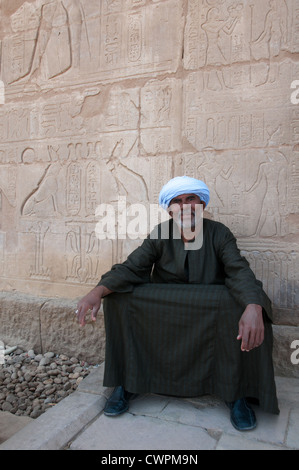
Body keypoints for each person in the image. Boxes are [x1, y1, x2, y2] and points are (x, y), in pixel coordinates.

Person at [76, 176, 279, 431]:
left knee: (245, 303)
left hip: (208, 309)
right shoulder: (161, 233)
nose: (184, 206)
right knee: (117, 297)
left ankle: (236, 394)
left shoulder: (219, 233)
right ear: (169, 208)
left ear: (201, 203)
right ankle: (127, 383)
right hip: (167, 307)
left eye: (190, 199)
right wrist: (96, 292)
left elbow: (239, 271)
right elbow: (132, 267)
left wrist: (252, 306)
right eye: (177, 201)